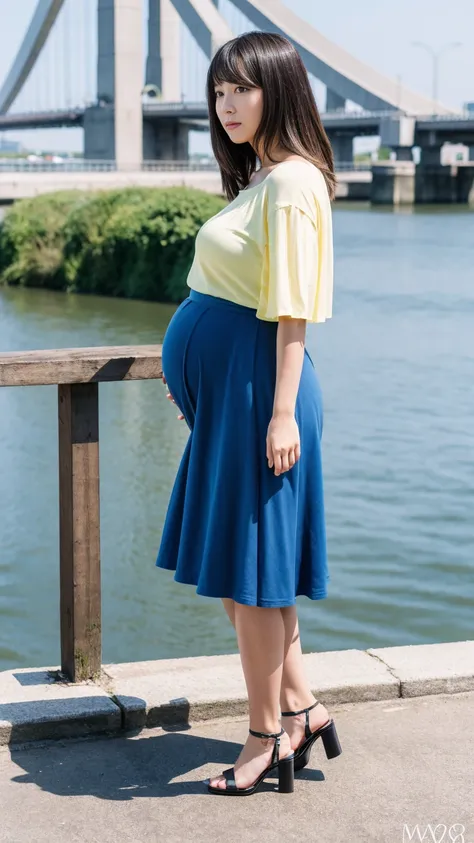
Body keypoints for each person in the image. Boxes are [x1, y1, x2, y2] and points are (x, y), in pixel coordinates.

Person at [156, 31, 342, 796]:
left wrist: (281, 414)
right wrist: (194, 380)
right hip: (233, 396)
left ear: (279, 90)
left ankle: (265, 736)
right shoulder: (263, 177)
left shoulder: (295, 181)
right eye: (220, 90)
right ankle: (304, 709)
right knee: (246, 574)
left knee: (254, 578)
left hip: (265, 394)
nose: (228, 104)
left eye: (244, 89)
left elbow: (292, 311)